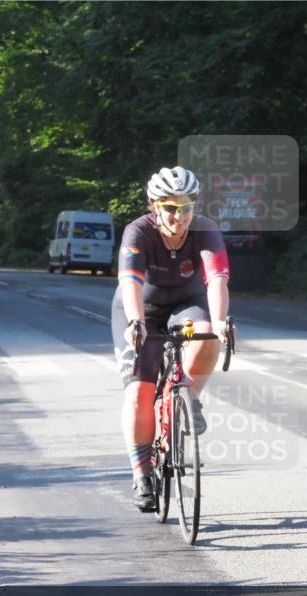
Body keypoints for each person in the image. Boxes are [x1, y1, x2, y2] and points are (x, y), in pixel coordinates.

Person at [111, 167, 231, 511]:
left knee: (206, 335)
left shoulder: (205, 230)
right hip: (141, 307)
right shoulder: (138, 232)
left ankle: (187, 396)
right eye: (170, 208)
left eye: (187, 207)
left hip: (185, 306)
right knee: (138, 392)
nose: (179, 216)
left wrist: (220, 322)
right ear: (154, 206)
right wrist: (136, 322)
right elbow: (130, 282)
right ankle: (142, 472)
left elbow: (217, 279)